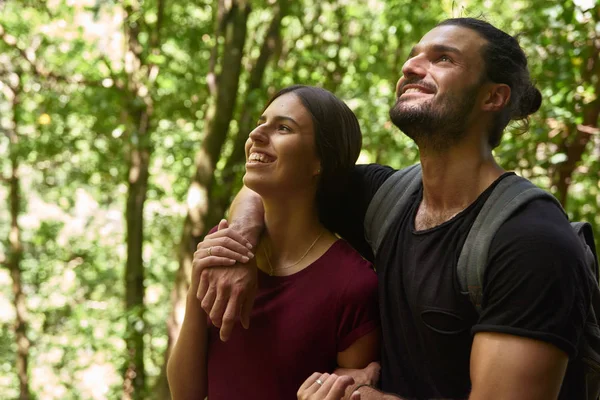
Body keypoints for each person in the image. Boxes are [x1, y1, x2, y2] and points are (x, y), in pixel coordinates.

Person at [193, 18, 594, 399]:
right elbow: (272, 182)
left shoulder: (531, 240)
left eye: (443, 58)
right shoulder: (384, 197)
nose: (411, 66)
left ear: (493, 96)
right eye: (414, 55)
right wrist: (239, 244)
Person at [166, 85, 381, 400]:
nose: (256, 134)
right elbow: (186, 394)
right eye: (260, 122)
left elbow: (352, 387)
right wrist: (196, 290)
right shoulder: (223, 243)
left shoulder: (353, 284)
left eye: (283, 128)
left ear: (319, 162)